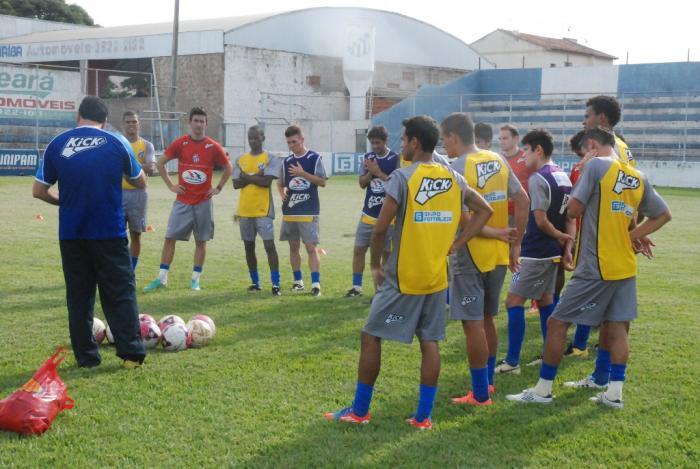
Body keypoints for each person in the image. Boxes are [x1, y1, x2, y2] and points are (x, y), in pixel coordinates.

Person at [324, 115, 493, 429]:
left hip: (403, 278)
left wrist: (375, 266)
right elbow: (486, 210)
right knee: (429, 343)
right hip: (436, 279)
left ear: (415, 143)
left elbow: (379, 229)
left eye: (403, 140)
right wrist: (458, 242)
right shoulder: (454, 178)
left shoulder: (403, 177)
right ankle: (423, 417)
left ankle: (359, 411)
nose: (401, 145)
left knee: (370, 336)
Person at [506, 127, 671, 408]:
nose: (582, 156)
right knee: (617, 327)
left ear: (592, 145)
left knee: (557, 323)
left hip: (596, 265)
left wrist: (583, 171)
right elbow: (663, 214)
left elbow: (573, 210)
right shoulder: (636, 175)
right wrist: (629, 236)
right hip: (624, 266)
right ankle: (614, 392)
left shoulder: (595, 166)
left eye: (583, 151)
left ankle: (543, 390)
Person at [33, 96, 146, 369]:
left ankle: (87, 358)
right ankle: (130, 355)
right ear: (105, 120)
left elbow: (39, 191)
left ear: (78, 117)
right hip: (108, 230)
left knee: (79, 296)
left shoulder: (57, 144)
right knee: (119, 292)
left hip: (72, 233)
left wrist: (65, 199)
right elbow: (140, 181)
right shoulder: (117, 141)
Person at [439, 113, 528, 404]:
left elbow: (467, 220)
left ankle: (479, 394)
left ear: (453, 136)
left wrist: (496, 233)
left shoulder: (458, 167)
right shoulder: (497, 159)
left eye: (445, 139)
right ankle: (487, 384)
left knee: (472, 323)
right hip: (499, 256)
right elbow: (523, 199)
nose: (444, 145)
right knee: (487, 319)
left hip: (471, 253)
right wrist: (514, 243)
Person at [499, 129, 576, 372]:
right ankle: (548, 354)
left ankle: (512, 362)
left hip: (536, 251)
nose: (523, 158)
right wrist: (567, 244)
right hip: (552, 251)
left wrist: (559, 237)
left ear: (538, 150)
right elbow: (571, 218)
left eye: (527, 151)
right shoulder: (563, 175)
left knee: (513, 302)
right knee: (545, 301)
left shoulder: (538, 178)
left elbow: (541, 221)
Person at [143, 107, 232, 292]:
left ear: (206, 124)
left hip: (203, 202)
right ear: (190, 123)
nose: (199, 124)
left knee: (201, 241)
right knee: (169, 238)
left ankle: (195, 281)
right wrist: (171, 185)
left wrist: (218, 188)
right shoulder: (181, 143)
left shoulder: (213, 146)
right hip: (182, 201)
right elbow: (160, 163)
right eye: (196, 121)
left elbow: (228, 168)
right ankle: (161, 278)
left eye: (202, 121)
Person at [346, 125, 400, 297]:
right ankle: (356, 287)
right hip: (368, 214)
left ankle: (381, 291)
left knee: (386, 254)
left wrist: (379, 172)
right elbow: (362, 183)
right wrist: (370, 173)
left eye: (378, 143)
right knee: (359, 249)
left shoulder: (395, 159)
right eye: (372, 143)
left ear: (386, 141)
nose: (375, 146)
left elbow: (397, 186)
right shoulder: (368, 158)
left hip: (388, 217)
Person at [277, 125, 328, 296]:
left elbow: (322, 182)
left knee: (311, 248)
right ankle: (298, 282)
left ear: (302, 139)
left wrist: (302, 173)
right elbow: (280, 183)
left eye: (294, 141)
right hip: (290, 211)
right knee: (293, 247)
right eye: (289, 143)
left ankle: (316, 284)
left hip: (309, 211)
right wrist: (281, 191)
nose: (292, 145)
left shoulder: (314, 158)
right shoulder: (286, 162)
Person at [232, 126, 281, 296]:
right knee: (249, 247)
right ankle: (255, 282)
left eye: (256, 137)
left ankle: (276, 284)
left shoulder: (270, 158)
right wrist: (257, 176)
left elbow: (266, 182)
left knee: (269, 246)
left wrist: (247, 177)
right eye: (250, 138)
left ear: (263, 137)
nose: (253, 141)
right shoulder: (240, 159)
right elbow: (236, 184)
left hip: (263, 211)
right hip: (245, 211)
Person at [121, 111, 156, 271]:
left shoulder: (146, 145)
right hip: (117, 194)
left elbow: (151, 167)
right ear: (123, 124)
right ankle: (119, 267)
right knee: (116, 235)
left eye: (134, 122)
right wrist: (138, 165)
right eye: (128, 122)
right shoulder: (118, 143)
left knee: (136, 234)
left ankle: (131, 270)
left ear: (138, 123)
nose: (131, 125)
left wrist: (126, 164)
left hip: (138, 194)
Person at [582, 95, 635, 167]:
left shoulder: (602, 148)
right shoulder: (623, 146)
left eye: (587, 117)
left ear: (601, 118)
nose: (583, 122)